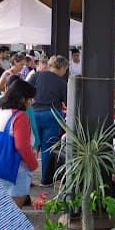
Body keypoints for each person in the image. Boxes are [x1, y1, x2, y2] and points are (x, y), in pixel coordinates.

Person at [0, 78, 38, 207]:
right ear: (23, 99)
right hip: (16, 172)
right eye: (30, 99)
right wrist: (33, 164)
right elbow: (22, 146)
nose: (31, 102)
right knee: (12, 215)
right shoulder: (20, 116)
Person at [30, 55, 68, 185]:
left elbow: (26, 90)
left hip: (34, 114)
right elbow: (67, 101)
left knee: (33, 146)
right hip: (53, 115)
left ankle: (27, 179)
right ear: (62, 67)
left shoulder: (37, 75)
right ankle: (45, 180)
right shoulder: (62, 83)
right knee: (48, 148)